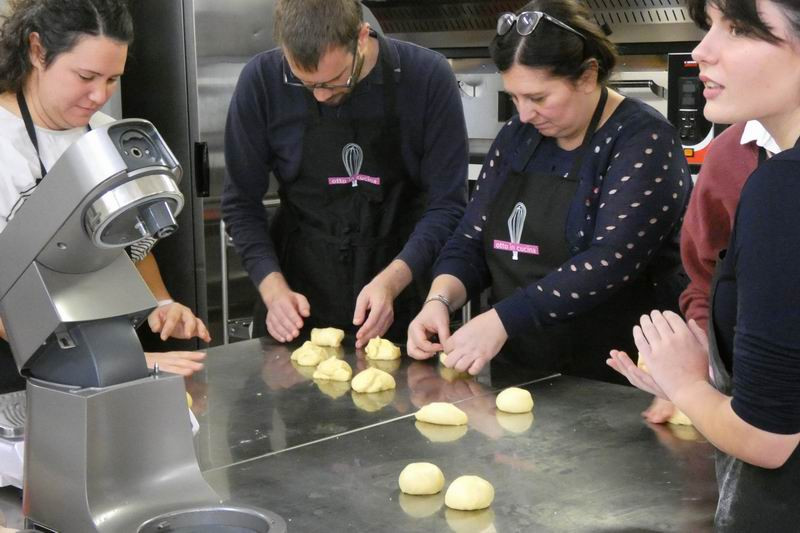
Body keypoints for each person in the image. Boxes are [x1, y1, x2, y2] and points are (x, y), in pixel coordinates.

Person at [407, 0, 691, 381]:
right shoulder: (517, 137)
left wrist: (500, 321)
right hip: (522, 367)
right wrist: (439, 299)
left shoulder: (643, 139)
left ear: (588, 76)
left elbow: (610, 261)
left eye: (538, 98)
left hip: (615, 376)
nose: (524, 114)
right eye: (515, 98)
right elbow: (471, 239)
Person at [607, 0, 800, 528]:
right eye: (707, 26)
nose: (701, 51)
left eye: (737, 29)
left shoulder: (784, 187)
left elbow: (769, 441)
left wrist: (688, 384)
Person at [222, 0, 468, 348]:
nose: (321, 96)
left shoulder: (426, 77)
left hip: (401, 301)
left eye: (335, 82)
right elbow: (241, 204)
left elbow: (448, 206)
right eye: (305, 84)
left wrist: (391, 283)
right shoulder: (261, 80)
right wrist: (273, 290)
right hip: (297, 299)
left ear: (362, 37)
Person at [0, 0, 209, 393]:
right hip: (13, 369)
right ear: (37, 51)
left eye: (112, 80)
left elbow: (132, 242)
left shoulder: (106, 135)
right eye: (86, 76)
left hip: (98, 354)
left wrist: (161, 306)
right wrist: (104, 355)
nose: (99, 95)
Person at [644, 120, 780, 423]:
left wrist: (689, 390)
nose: (705, 69)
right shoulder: (729, 152)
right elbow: (705, 284)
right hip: (745, 411)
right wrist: (702, 370)